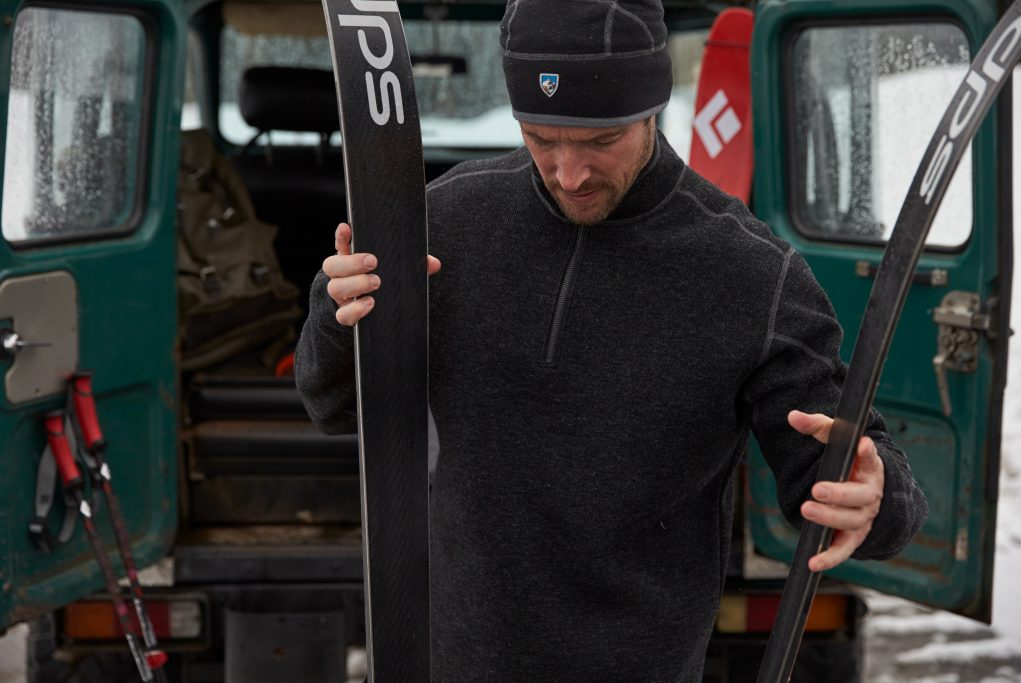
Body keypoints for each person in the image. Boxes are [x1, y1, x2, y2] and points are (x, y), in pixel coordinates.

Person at [295, 0, 928, 679]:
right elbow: (333, 405)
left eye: (600, 141)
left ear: (653, 105)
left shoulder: (752, 275)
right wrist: (337, 318)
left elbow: (837, 468)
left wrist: (878, 491)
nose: (569, 172)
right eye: (541, 138)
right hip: (456, 659)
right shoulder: (444, 221)